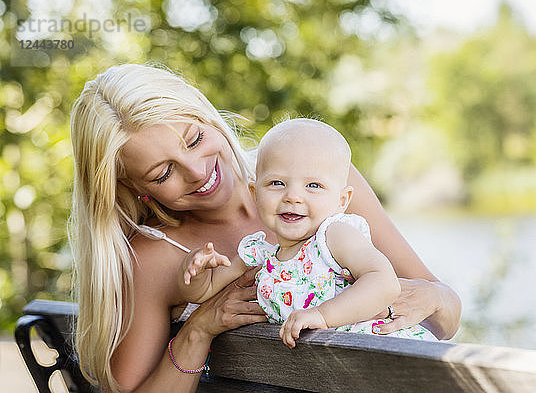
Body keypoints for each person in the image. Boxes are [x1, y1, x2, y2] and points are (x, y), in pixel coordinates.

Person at [69, 63, 461, 392]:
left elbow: (445, 318)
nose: (198, 171)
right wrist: (197, 332)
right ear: (134, 189)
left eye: (195, 139)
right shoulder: (154, 259)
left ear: (209, 117)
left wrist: (434, 299)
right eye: (163, 173)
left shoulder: (315, 177)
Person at [179, 119, 437, 347]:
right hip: (324, 370)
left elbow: (384, 282)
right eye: (277, 183)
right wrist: (197, 274)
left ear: (341, 200)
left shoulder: (333, 236)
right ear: (255, 194)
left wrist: (323, 315)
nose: (293, 196)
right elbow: (204, 292)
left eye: (313, 185)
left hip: (381, 352)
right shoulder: (259, 254)